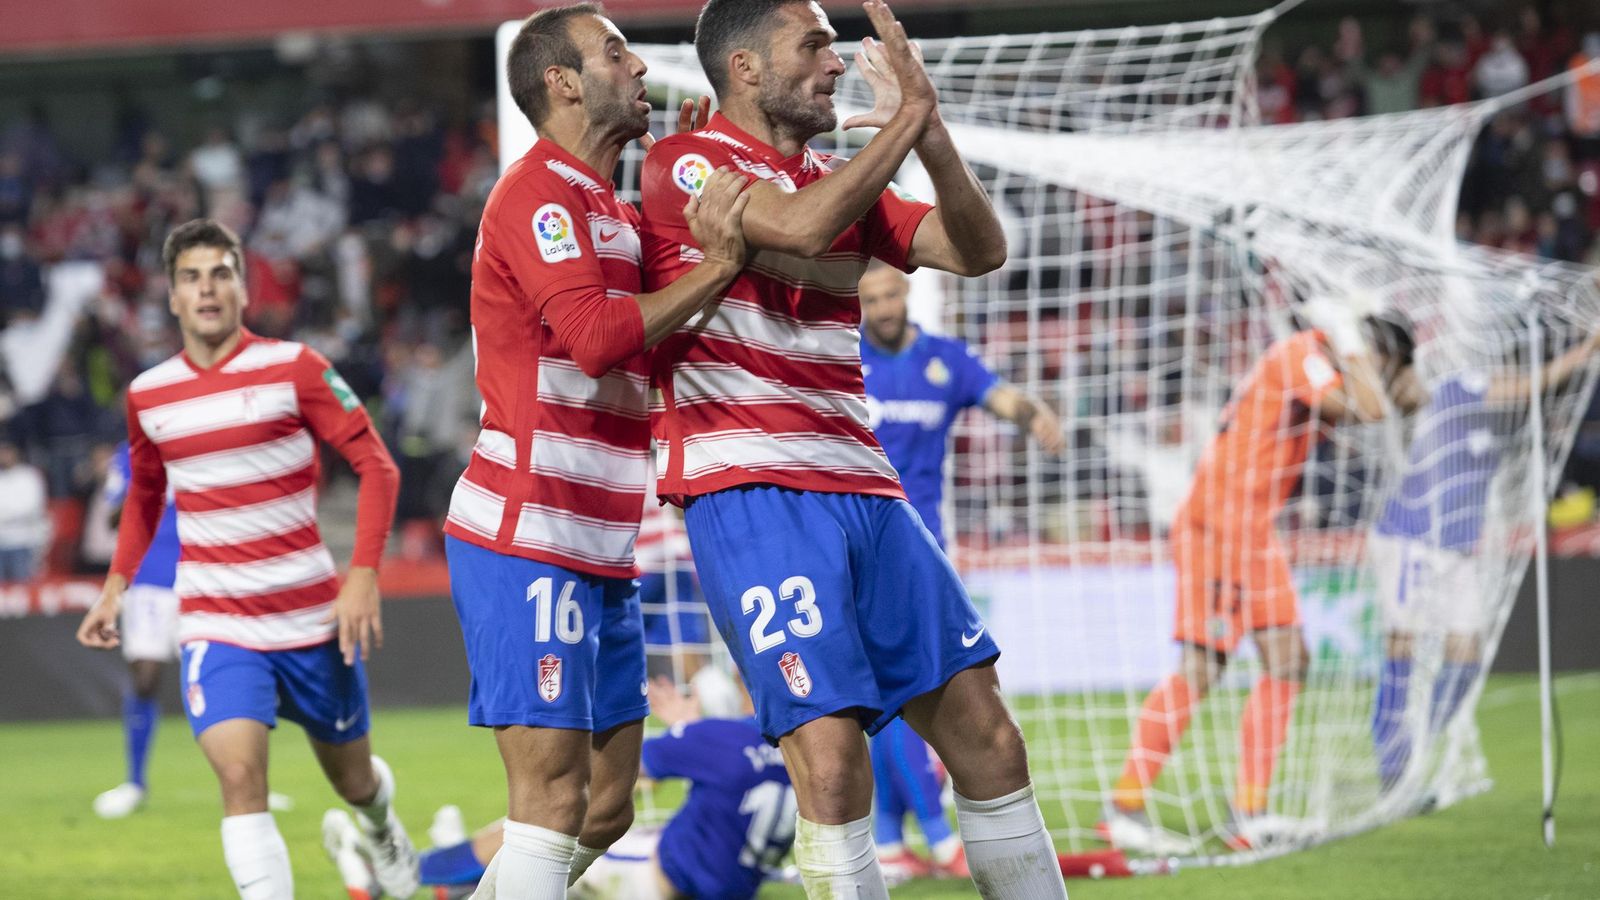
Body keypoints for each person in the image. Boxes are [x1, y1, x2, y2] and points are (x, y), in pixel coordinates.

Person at [639, 2, 1067, 896]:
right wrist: (902, 121)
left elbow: (977, 248)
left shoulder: (839, 176)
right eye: (816, 45)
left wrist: (934, 132)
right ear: (748, 68)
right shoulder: (687, 159)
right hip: (753, 490)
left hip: (868, 489)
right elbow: (794, 227)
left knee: (990, 736)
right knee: (830, 764)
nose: (836, 63)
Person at [440, 6, 752, 898]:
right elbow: (593, 337)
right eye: (616, 53)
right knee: (547, 798)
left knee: (608, 806)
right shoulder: (534, 191)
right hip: (526, 530)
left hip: (602, 542)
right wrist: (716, 266)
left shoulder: (610, 211)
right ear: (563, 82)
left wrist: (685, 229)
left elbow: (656, 338)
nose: (641, 70)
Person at [75, 219, 418, 899]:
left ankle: (379, 830)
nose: (207, 289)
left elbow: (377, 466)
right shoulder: (148, 395)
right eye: (191, 277)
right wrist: (115, 587)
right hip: (216, 618)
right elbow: (144, 496)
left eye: (221, 273)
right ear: (172, 296)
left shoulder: (296, 368)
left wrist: (363, 576)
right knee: (239, 778)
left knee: (355, 780)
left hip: (312, 618)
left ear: (243, 285)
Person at [1104, 315, 1421, 852]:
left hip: (1251, 529)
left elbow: (1404, 398)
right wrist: (1364, 358)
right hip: (1219, 526)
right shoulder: (1305, 354)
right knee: (1203, 668)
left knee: (1289, 658)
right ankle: (1124, 807)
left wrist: (1400, 376)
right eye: (1381, 365)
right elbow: (1369, 408)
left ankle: (1249, 811)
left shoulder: (1324, 361)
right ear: (1367, 349)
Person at [856, 261, 1064, 879]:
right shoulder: (840, 357)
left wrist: (1033, 414)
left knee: (903, 685)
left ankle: (891, 840)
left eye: (892, 293)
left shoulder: (945, 361)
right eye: (872, 298)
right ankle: (937, 833)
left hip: (924, 546)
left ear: (908, 293)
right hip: (858, 544)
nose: (885, 307)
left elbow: (1002, 397)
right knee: (896, 685)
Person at [1369, 328, 1600, 798]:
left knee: (1466, 651)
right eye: (1517, 369)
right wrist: (1587, 349)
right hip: (1412, 538)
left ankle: (1420, 750)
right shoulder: (1464, 386)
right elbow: (1530, 386)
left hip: (1458, 548)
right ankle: (1391, 761)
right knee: (1402, 644)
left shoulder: (1506, 427)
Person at [329, 675, 795, 900]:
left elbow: (624, 780)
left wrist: (684, 733)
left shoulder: (711, 739)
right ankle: (451, 882)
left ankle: (406, 874)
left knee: (539, 830)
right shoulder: (794, 745)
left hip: (663, 882)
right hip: (732, 882)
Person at [89, 440, 180, 819]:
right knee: (144, 681)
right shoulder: (127, 456)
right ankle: (135, 781)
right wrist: (143, 486)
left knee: (224, 673)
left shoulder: (202, 434)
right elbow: (112, 518)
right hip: (149, 581)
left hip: (204, 572)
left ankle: (253, 783)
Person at [0, 439, 47, 583]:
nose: (4, 455)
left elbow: (31, 507)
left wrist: (5, 515)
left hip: (23, 542)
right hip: (1, 542)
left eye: (7, 451)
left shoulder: (29, 476)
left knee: (23, 590)